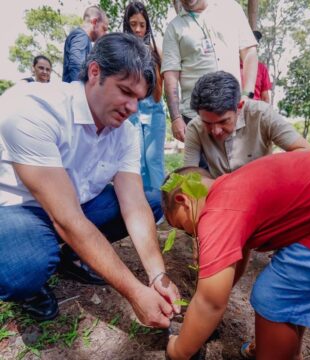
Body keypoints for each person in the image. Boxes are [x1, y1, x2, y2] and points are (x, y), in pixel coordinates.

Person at [0, 33, 180, 324]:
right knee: (26, 266)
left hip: (75, 205)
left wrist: (157, 275)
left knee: (150, 201)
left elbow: (133, 204)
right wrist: (135, 292)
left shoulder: (125, 132)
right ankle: (30, 287)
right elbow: (67, 219)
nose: (132, 108)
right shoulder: (33, 108)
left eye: (138, 98)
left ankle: (72, 257)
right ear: (95, 72)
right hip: (19, 208)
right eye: (125, 91)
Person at [162, 151, 310, 360]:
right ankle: (285, 350)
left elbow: (210, 302)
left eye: (182, 226)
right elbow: (235, 261)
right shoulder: (234, 187)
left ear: (183, 200)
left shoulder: (219, 210)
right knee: (295, 289)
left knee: (276, 296)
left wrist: (179, 350)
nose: (191, 233)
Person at [184, 71, 310, 178]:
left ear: (239, 107)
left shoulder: (262, 114)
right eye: (207, 123)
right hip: (221, 195)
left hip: (263, 189)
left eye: (223, 121)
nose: (215, 131)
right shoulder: (194, 128)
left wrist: (269, 170)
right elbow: (189, 177)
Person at [161, 0, 258, 142]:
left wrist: (247, 95)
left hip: (234, 111)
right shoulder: (174, 28)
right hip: (197, 118)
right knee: (200, 164)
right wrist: (175, 118)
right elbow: (170, 76)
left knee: (242, 163)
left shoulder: (231, 9)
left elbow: (249, 52)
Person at [123, 1, 166, 221]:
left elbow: (165, 79)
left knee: (154, 160)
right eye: (133, 25)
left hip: (155, 110)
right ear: (127, 25)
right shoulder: (123, 49)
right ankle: (139, 207)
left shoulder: (155, 49)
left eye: (142, 24)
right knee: (136, 159)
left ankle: (160, 210)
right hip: (131, 113)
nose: (138, 30)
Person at [62, 5, 108, 83]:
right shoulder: (81, 36)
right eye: (104, 28)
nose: (105, 34)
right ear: (94, 22)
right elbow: (76, 64)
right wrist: (81, 90)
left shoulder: (82, 37)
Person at [241, 30, 272, 103]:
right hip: (234, 109)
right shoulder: (232, 64)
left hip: (254, 110)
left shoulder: (261, 68)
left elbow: (265, 98)